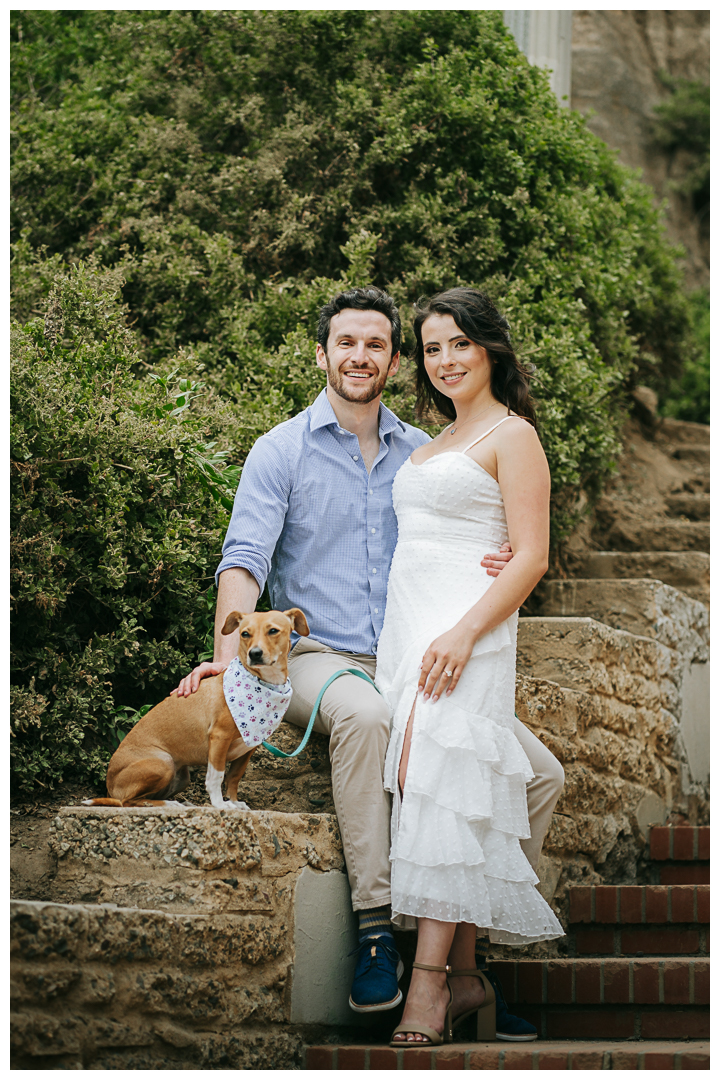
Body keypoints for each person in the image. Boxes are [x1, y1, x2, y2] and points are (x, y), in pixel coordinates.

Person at [174, 286, 564, 1038]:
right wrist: (229, 657)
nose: (361, 356)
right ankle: (380, 930)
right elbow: (244, 561)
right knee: (366, 716)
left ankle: (464, 969)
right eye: (346, 343)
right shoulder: (280, 449)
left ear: (392, 359)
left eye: (377, 344)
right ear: (322, 354)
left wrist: (512, 549)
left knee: (540, 775)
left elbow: (466, 526)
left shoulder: (424, 446)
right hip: (318, 659)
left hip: (409, 653)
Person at [375, 287, 564, 1047]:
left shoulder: (512, 435)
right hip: (408, 634)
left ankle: (426, 989)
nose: (445, 360)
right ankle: (465, 980)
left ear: (490, 349)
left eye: (459, 343)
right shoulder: (426, 445)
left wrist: (461, 633)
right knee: (432, 786)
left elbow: (532, 555)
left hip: (466, 635)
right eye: (431, 348)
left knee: (447, 788)